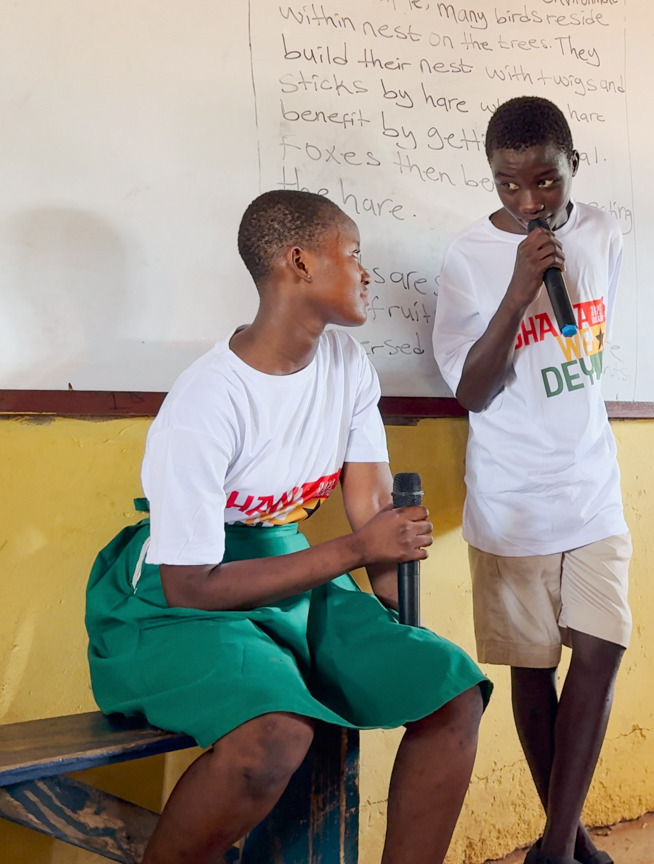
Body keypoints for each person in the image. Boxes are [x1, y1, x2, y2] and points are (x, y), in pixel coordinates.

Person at [85, 190, 492, 864]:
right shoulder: (207, 400)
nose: (366, 272)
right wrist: (358, 549)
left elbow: (372, 511)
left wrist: (398, 626)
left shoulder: (347, 365)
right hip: (173, 604)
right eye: (353, 254)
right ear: (299, 262)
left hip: (293, 579)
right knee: (275, 734)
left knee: (451, 691)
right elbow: (191, 585)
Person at [432, 96, 630, 864]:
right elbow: (473, 390)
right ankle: (569, 843)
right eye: (508, 185)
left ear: (573, 165)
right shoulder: (469, 257)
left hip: (590, 481)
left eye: (545, 181)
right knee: (534, 666)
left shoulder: (604, 232)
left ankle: (552, 848)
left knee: (603, 647)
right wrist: (517, 292)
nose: (528, 200)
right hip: (512, 495)